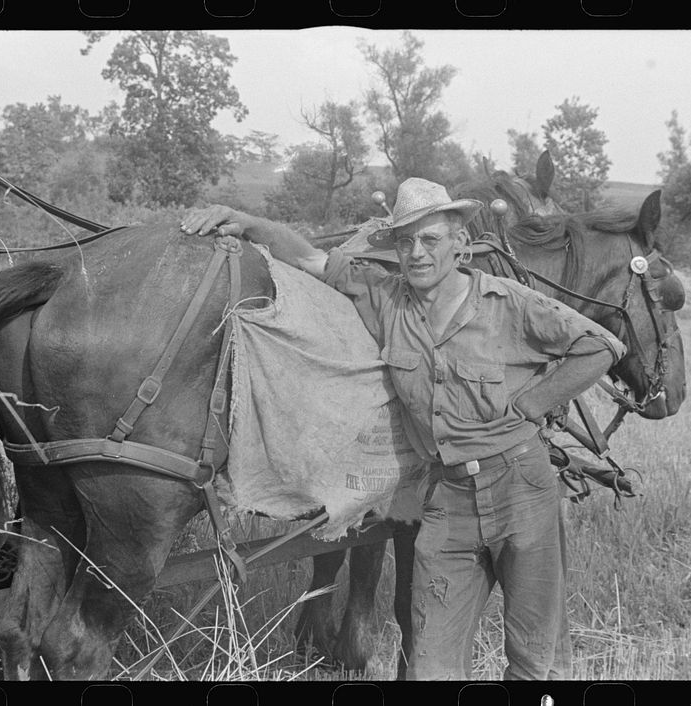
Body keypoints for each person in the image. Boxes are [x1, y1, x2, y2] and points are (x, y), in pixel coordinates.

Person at [180, 177, 626, 680]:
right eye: (406, 240)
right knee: (428, 666)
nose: (416, 253)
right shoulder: (386, 298)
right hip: (448, 501)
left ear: (460, 244)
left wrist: (531, 404)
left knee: (534, 660)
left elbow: (600, 345)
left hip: (520, 489)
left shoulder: (508, 303)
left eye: (430, 239)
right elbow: (308, 259)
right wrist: (247, 221)